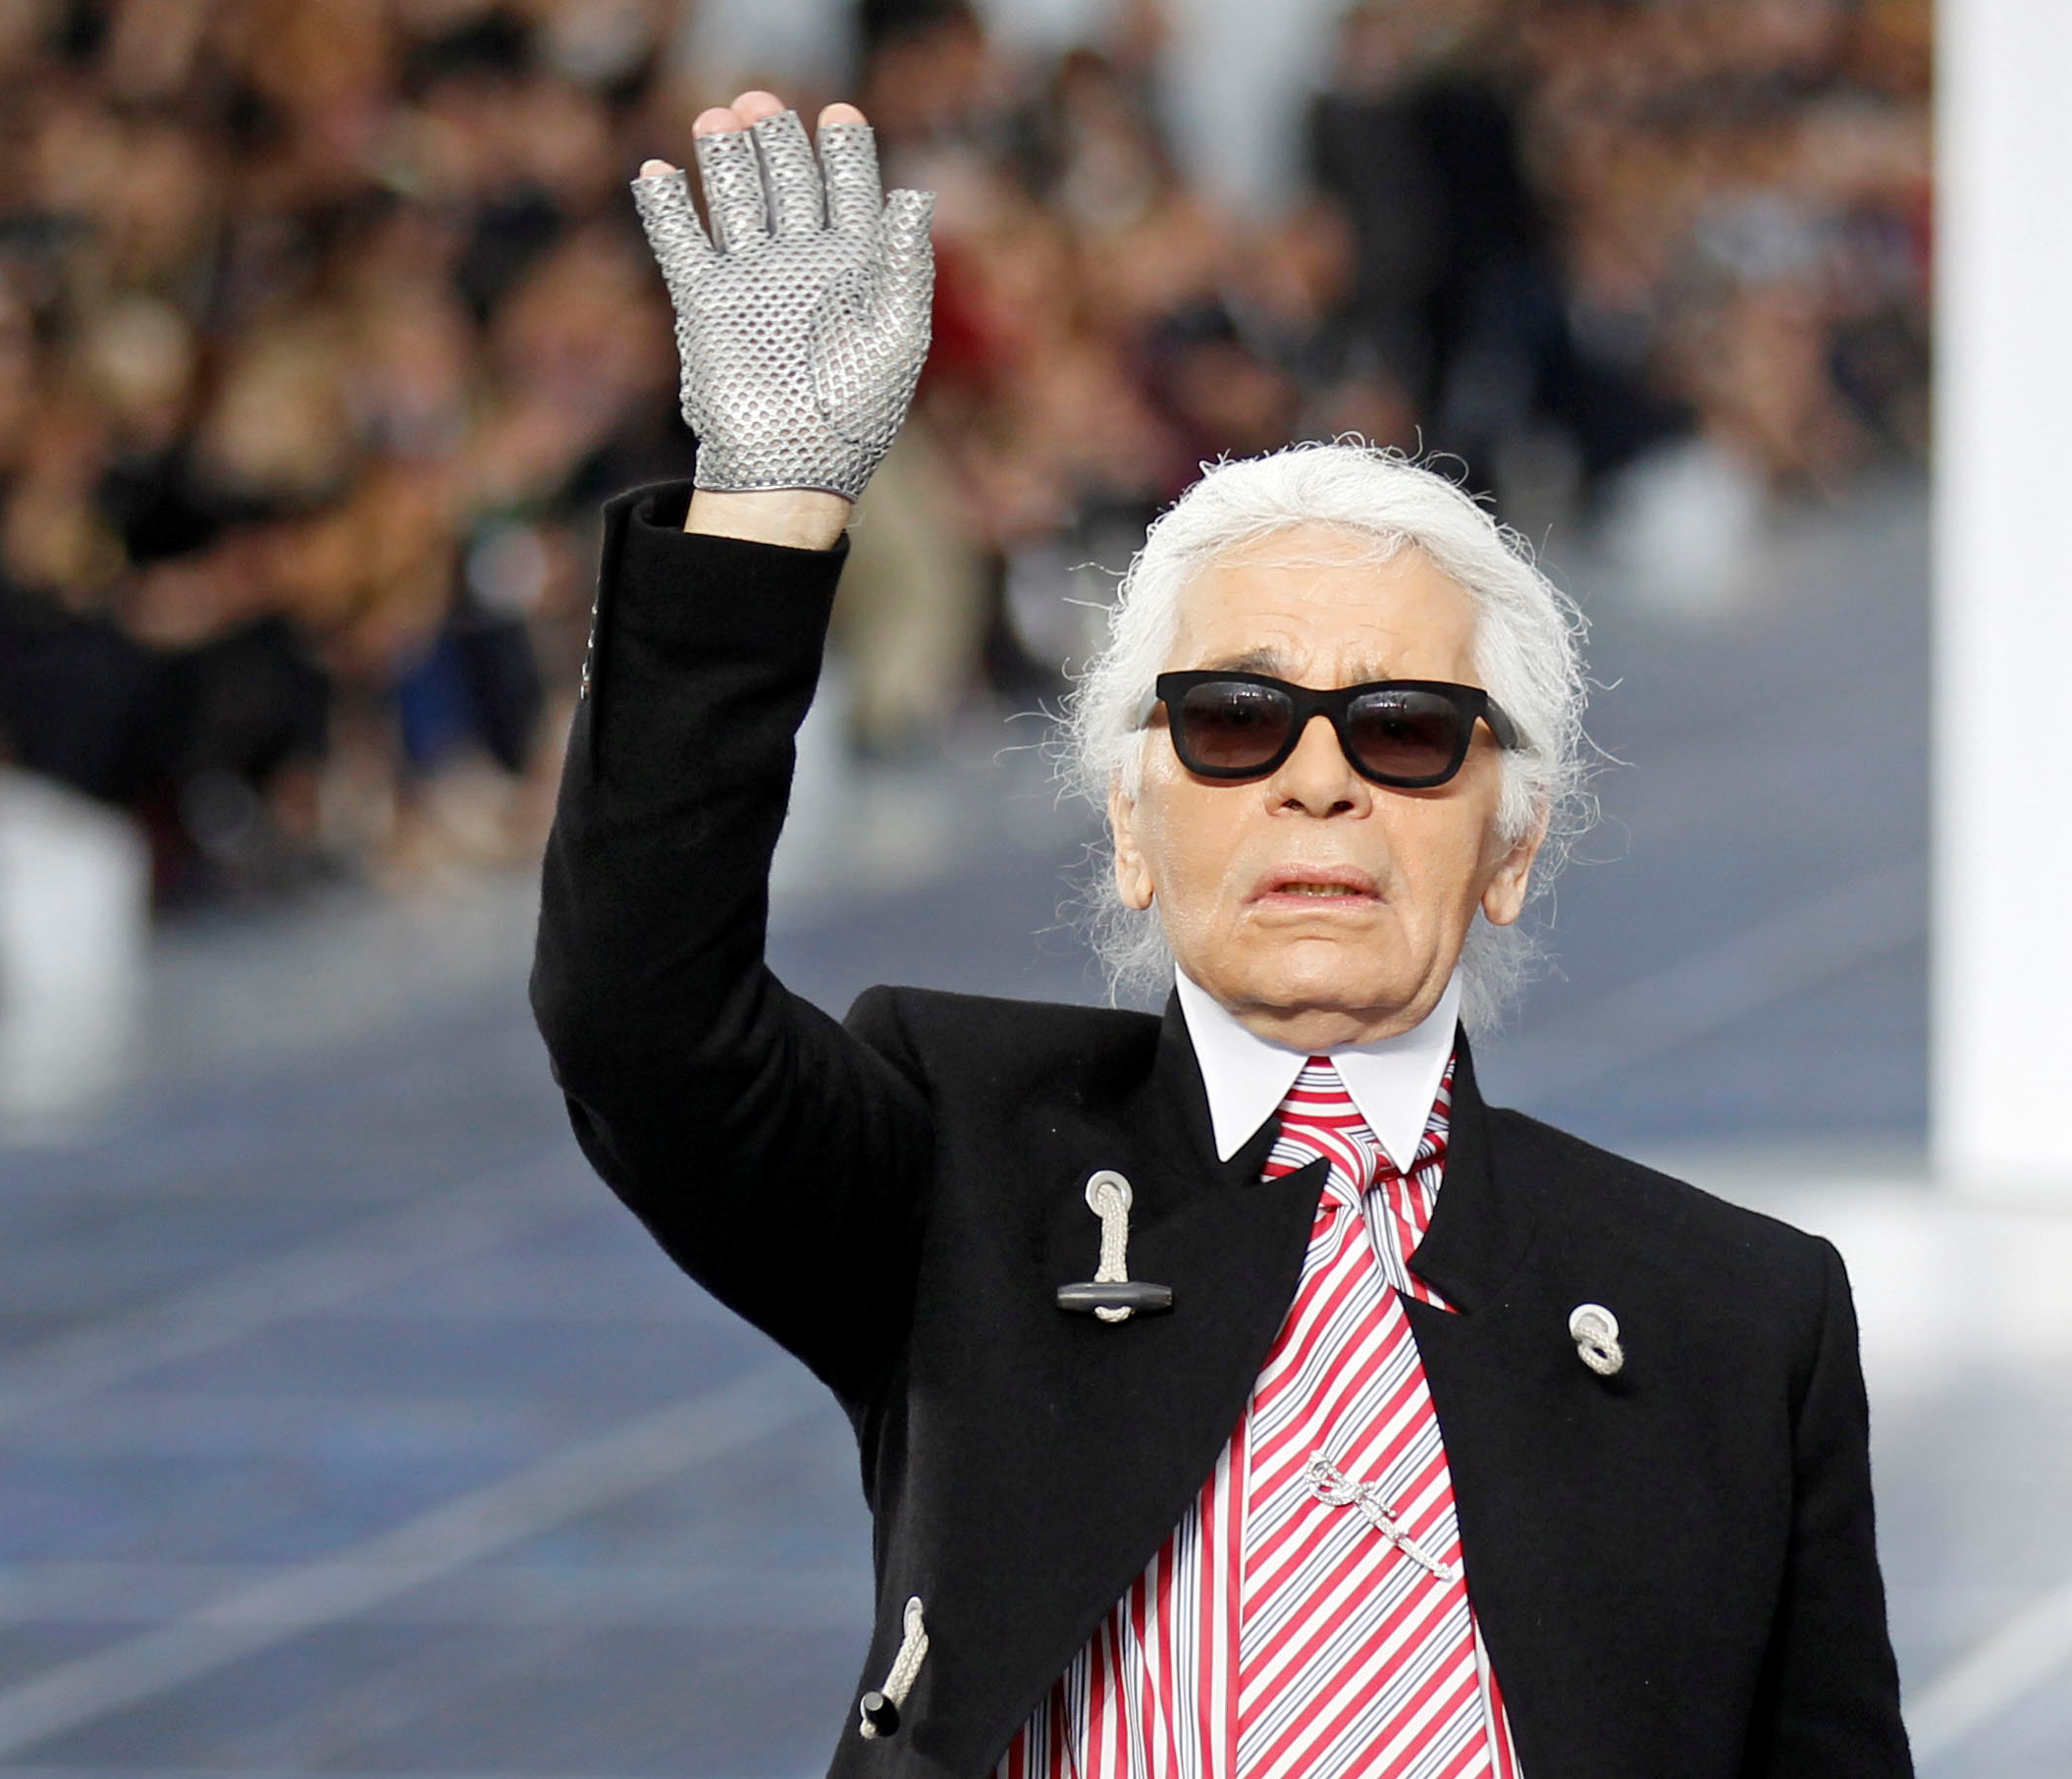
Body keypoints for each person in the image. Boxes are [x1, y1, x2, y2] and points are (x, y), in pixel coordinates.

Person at [530, 89, 1911, 1778]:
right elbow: (637, 1021)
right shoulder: (954, 1159)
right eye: (1233, 722)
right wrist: (763, 507)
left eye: (1403, 729)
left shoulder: (1737, 1323)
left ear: (1512, 843)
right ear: (1129, 821)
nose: (1318, 782)